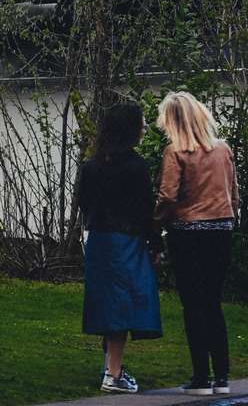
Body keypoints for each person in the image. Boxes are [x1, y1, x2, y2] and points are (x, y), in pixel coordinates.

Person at [155, 91, 240, 397]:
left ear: (173, 121)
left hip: (188, 231)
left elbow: (168, 195)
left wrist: (157, 222)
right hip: (221, 228)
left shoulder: (176, 152)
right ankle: (223, 376)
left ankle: (201, 377)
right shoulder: (222, 149)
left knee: (193, 304)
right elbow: (233, 191)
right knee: (213, 302)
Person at [74, 100, 162, 394]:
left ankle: (110, 365)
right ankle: (113, 374)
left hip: (99, 239)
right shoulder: (136, 167)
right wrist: (156, 242)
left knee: (107, 302)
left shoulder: (91, 166)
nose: (144, 128)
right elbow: (145, 208)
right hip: (126, 240)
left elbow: (82, 202)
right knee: (124, 305)